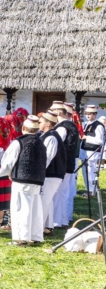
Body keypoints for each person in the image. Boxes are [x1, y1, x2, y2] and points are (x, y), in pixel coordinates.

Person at [0, 116, 47, 245]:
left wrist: (7, 173)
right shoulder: (41, 143)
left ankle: (21, 238)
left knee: (20, 209)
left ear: (24, 128)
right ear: (36, 130)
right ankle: (35, 236)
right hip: (37, 180)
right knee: (35, 208)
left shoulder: (18, 142)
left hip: (21, 179)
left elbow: (8, 161)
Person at [51, 101, 80, 230]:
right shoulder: (71, 125)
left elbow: (57, 145)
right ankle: (64, 219)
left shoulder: (62, 127)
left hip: (62, 164)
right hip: (69, 164)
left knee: (59, 193)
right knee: (64, 192)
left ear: (58, 112)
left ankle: (58, 220)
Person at [39, 111, 66, 237]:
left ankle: (38, 230)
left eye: (41, 121)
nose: (39, 123)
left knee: (43, 201)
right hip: (51, 174)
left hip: (51, 174)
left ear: (48, 123)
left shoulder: (50, 137)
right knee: (47, 201)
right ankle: (47, 226)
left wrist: (38, 171)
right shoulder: (47, 135)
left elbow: (47, 158)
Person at [80, 105, 104, 196]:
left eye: (90, 114)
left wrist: (86, 137)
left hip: (92, 152)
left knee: (91, 172)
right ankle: (88, 189)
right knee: (85, 172)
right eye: (87, 114)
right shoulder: (86, 124)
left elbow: (99, 141)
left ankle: (92, 191)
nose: (88, 116)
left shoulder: (98, 126)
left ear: (95, 114)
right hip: (85, 151)